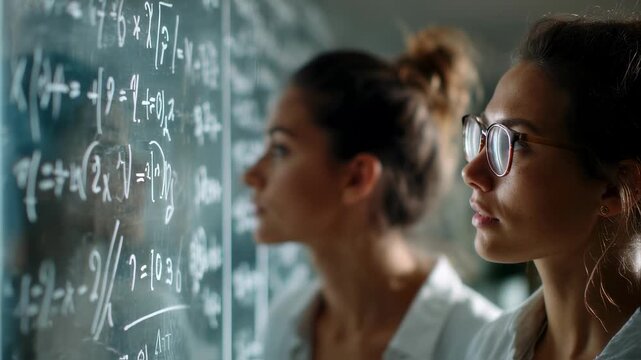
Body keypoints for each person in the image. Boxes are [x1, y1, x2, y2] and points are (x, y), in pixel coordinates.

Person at [244, 27, 501, 360]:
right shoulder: (286, 322)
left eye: (280, 150)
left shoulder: (481, 344)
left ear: (357, 177)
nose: (250, 175)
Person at [462, 14, 641, 360]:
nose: (472, 171)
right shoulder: (489, 346)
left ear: (617, 187)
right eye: (482, 136)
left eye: (510, 143)